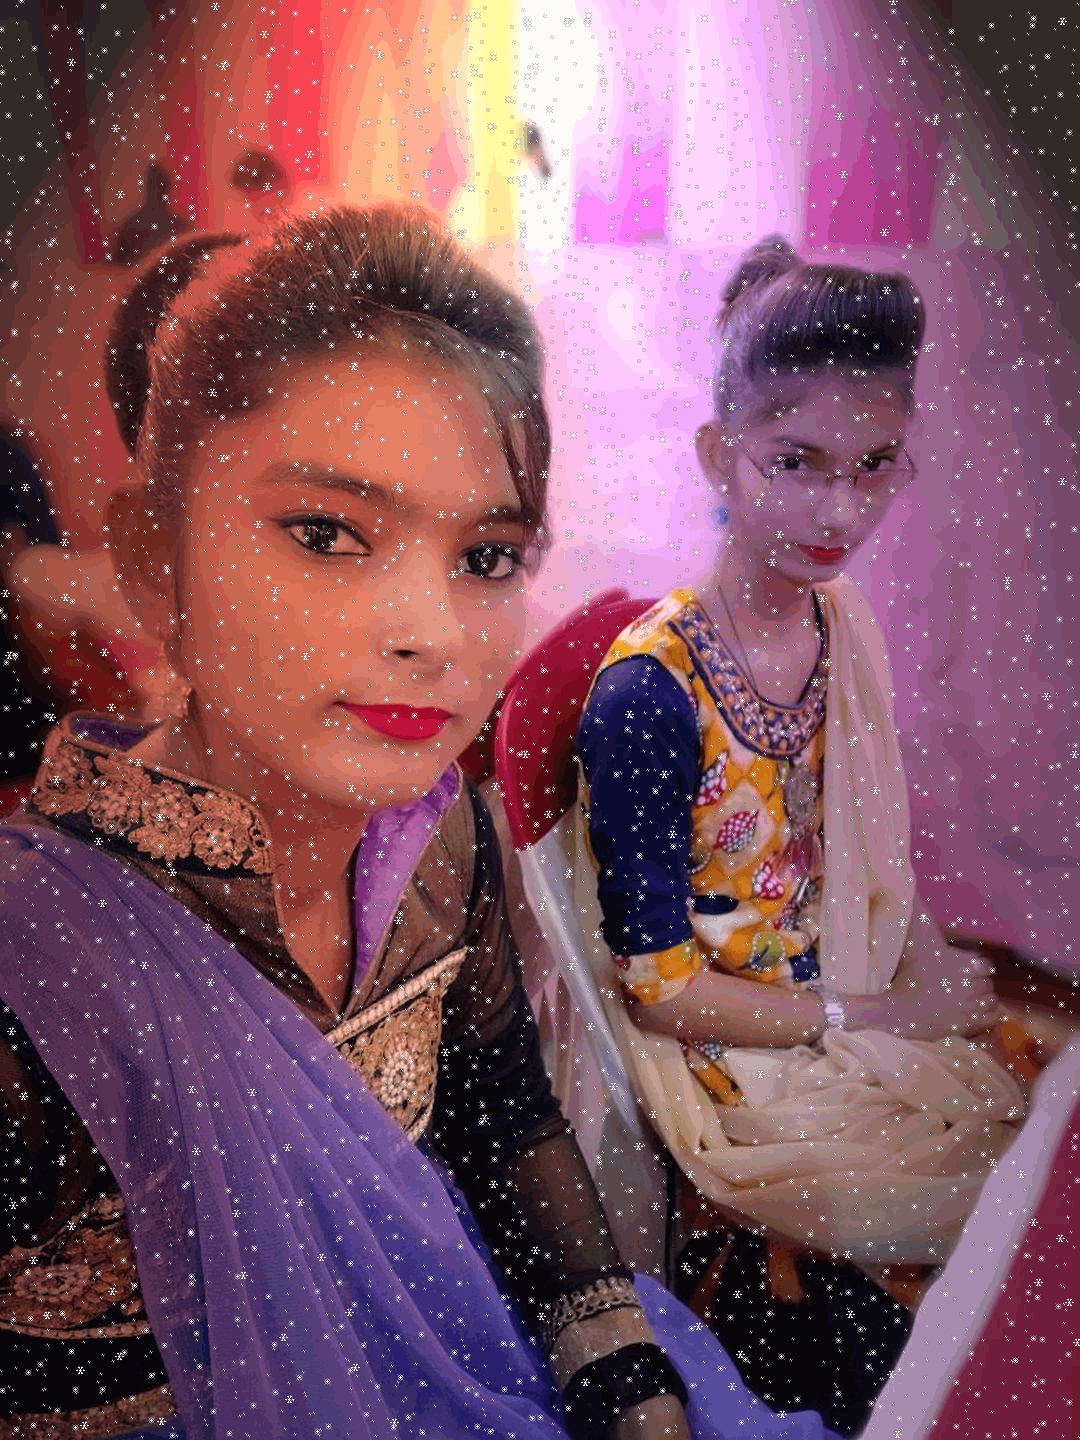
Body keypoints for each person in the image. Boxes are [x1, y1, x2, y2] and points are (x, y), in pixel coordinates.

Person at [0, 207, 839, 1440]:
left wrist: (626, 1384)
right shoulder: (43, 958)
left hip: (451, 1356)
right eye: (328, 534)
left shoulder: (440, 838)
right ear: (149, 561)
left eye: (486, 557)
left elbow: (508, 1124)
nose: (433, 634)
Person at [575, 238, 1030, 1436]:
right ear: (717, 454)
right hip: (722, 1049)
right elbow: (661, 990)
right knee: (985, 1196)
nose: (843, 513)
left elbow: (848, 861)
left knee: (1026, 1143)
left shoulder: (835, 623)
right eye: (797, 464)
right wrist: (869, 1016)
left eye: (875, 467)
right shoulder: (648, 696)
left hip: (826, 990)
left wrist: (897, 981)